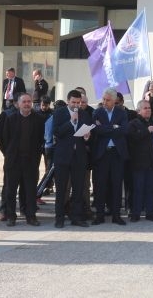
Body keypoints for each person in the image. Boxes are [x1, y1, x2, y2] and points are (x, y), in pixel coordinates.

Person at [0, 93, 45, 226]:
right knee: (10, 190)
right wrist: (8, 153)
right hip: (13, 161)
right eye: (24, 102)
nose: (27, 104)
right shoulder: (11, 118)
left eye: (29, 101)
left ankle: (31, 216)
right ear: (18, 104)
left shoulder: (39, 119)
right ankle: (11, 216)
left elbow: (41, 139)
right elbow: (3, 138)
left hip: (30, 161)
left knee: (30, 190)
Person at [52, 90, 93, 228]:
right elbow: (57, 132)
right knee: (62, 189)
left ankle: (76, 217)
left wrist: (87, 137)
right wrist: (71, 122)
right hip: (63, 157)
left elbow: (87, 132)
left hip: (79, 156)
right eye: (73, 102)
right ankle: (59, 218)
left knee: (78, 188)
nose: (76, 105)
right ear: (68, 101)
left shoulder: (85, 114)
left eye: (78, 103)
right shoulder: (59, 113)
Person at [91, 88, 129, 226]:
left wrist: (105, 128)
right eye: (104, 99)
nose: (104, 102)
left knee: (117, 184)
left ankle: (116, 215)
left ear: (114, 101)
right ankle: (99, 215)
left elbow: (124, 130)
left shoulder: (121, 112)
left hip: (116, 154)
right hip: (102, 154)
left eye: (107, 100)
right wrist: (113, 128)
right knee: (101, 185)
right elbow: (96, 129)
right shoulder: (98, 112)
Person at [126, 100, 153, 222]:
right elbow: (133, 138)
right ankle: (136, 213)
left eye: (149, 108)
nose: (148, 110)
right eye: (145, 108)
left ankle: (150, 212)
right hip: (138, 163)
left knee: (151, 188)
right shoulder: (133, 124)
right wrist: (147, 131)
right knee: (138, 189)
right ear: (139, 110)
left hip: (152, 162)